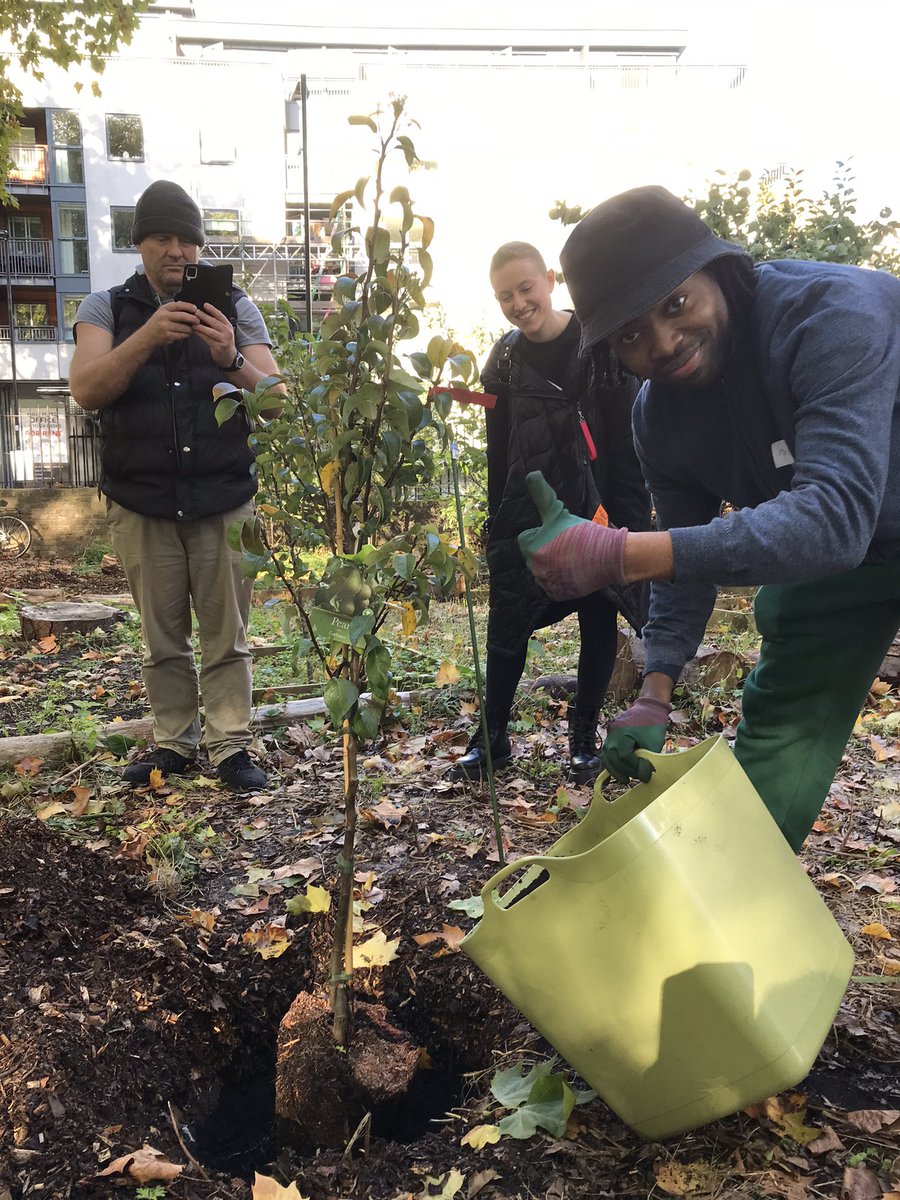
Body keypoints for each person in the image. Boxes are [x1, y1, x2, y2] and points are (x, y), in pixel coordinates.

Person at [518, 185, 900, 852]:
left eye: (676, 304)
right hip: (848, 558)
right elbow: (686, 554)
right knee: (775, 748)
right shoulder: (658, 418)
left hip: (848, 523)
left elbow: (835, 516)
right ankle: (725, 931)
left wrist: (618, 553)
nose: (663, 344)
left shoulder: (832, 315)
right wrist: (656, 690)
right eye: (631, 334)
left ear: (720, 271)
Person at [69, 180, 285, 792]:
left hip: (223, 498)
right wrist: (149, 336)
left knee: (227, 635)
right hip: (142, 501)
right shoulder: (104, 308)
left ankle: (231, 746)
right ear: (140, 243)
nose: (178, 251)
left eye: (188, 239)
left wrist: (229, 357)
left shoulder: (236, 307)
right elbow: (86, 389)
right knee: (161, 638)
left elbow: (277, 401)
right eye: (163, 237)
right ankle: (174, 744)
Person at [450, 241, 651, 783]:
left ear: (549, 280)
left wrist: (630, 521)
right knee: (509, 618)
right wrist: (497, 521)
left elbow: (629, 436)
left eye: (525, 288)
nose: (518, 303)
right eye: (504, 296)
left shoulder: (600, 344)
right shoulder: (504, 360)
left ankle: (583, 737)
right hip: (528, 505)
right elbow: (498, 449)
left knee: (598, 612)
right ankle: (492, 736)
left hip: (600, 503)